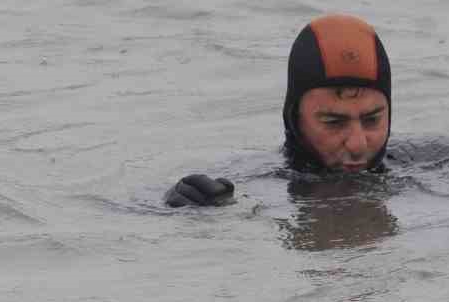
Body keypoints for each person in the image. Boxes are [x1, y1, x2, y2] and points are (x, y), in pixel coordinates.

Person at [164, 13, 396, 207]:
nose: (357, 145)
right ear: (294, 120)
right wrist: (187, 207)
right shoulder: (258, 183)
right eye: (334, 122)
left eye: (372, 120)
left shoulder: (416, 164)